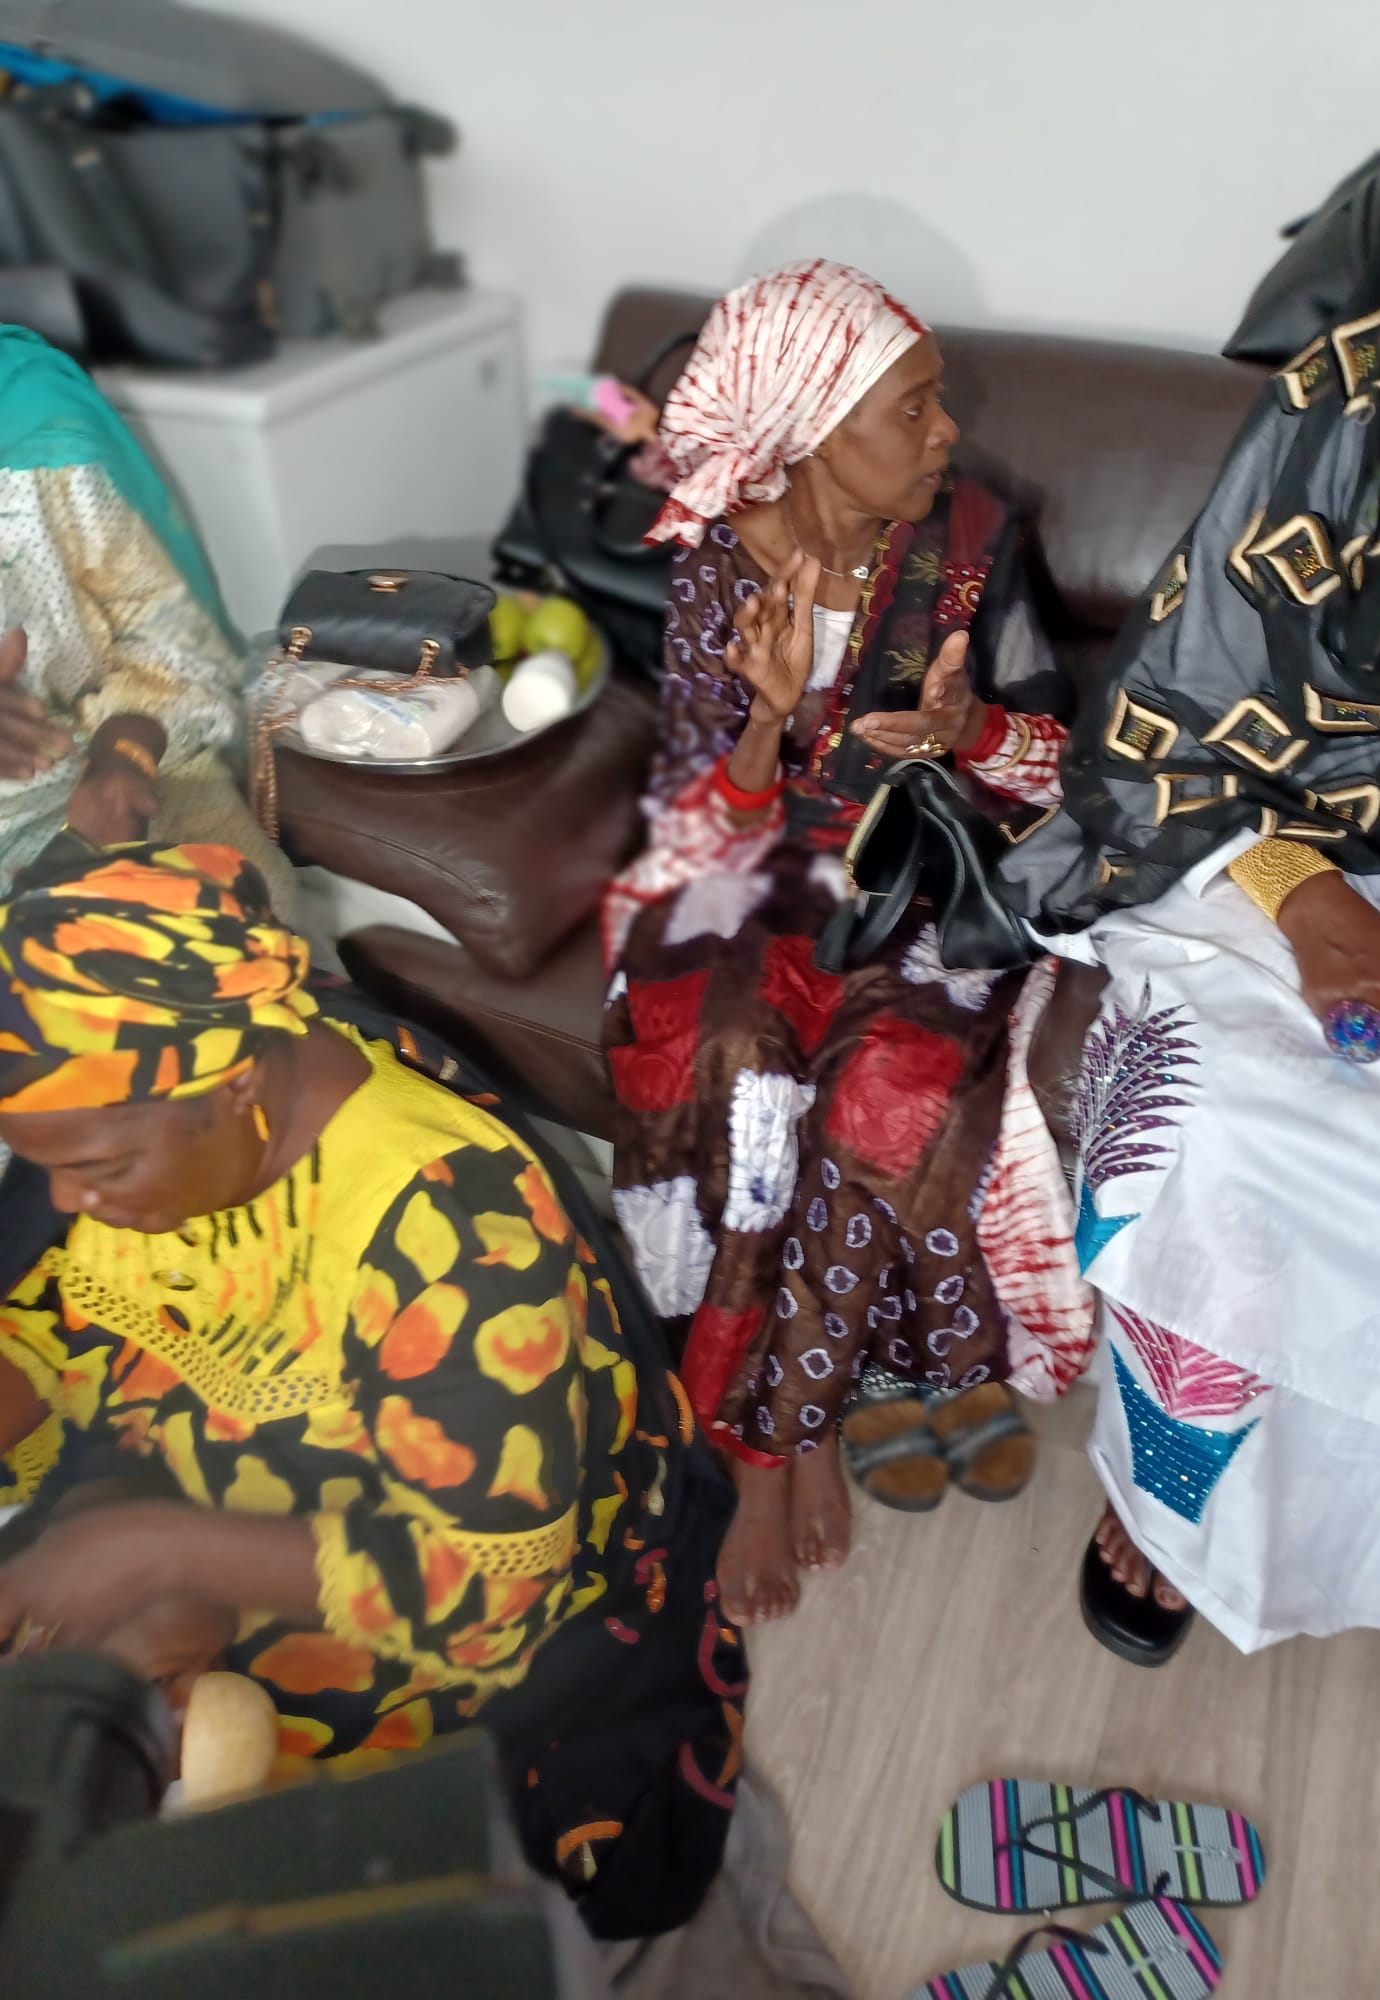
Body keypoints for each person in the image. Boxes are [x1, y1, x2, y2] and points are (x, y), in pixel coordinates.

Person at [0, 837, 745, 1940]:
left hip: (452, 1593)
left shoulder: (463, 1239)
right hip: (208, 1496)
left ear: (237, 1089)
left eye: (96, 1170)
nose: (68, 1200)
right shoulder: (151, 1111)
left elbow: (484, 1596)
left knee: (196, 1863)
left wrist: (153, 1553)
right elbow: (64, 1317)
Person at [993, 48, 1380, 1660]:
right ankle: (1175, 1503)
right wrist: (1318, 903)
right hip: (1223, 840)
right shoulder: (1341, 412)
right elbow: (1169, 721)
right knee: (1224, 1134)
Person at [602, 261, 1093, 1627]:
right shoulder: (719, 561)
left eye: (937, 402)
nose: (948, 432)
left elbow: (1064, 767)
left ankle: (781, 1437)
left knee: (887, 1083)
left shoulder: (970, 541)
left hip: (926, 879)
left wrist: (965, 730)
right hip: (753, 874)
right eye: (914, 409)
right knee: (735, 1061)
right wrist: (769, 717)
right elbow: (703, 813)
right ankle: (766, 1422)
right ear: (812, 428)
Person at [0, 322, 291, 912]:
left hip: (101, 773)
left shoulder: (34, 420)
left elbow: (173, 651)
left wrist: (122, 756)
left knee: (234, 918)